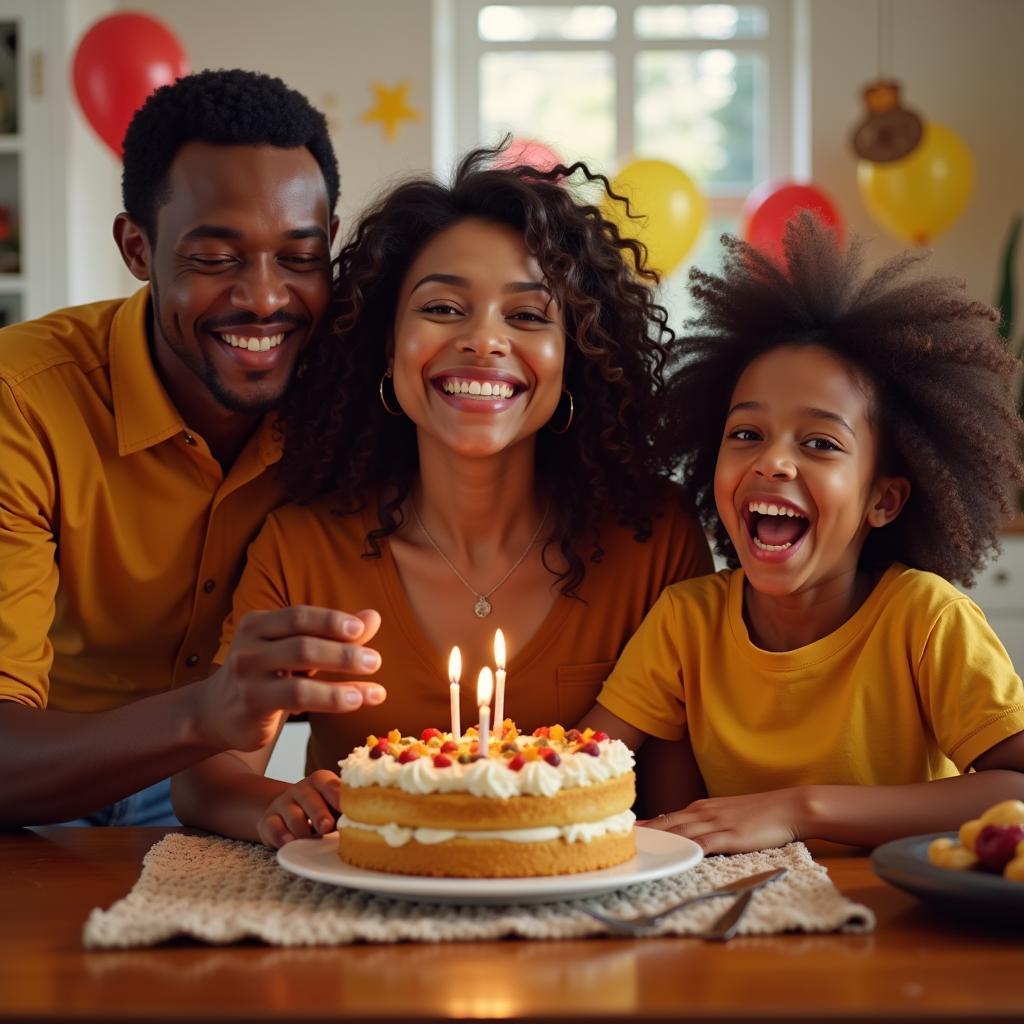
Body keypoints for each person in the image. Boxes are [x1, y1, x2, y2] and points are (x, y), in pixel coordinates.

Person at [172, 146, 714, 847]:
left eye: (527, 317)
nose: (484, 341)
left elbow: (675, 813)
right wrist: (277, 806)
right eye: (443, 307)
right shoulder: (304, 547)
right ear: (384, 345)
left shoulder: (654, 542)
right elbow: (207, 778)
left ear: (574, 355)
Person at [0, 69, 386, 828]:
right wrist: (206, 712)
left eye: (300, 257)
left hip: (215, 796)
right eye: (216, 258)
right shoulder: (22, 398)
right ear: (137, 248)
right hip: (33, 783)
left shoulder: (358, 396)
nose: (266, 297)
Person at [583, 213, 1024, 852]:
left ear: (884, 499)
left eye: (820, 442)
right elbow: (580, 767)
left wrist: (802, 810)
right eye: (746, 434)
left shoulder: (926, 619)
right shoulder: (685, 623)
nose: (773, 461)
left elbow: (1015, 788)